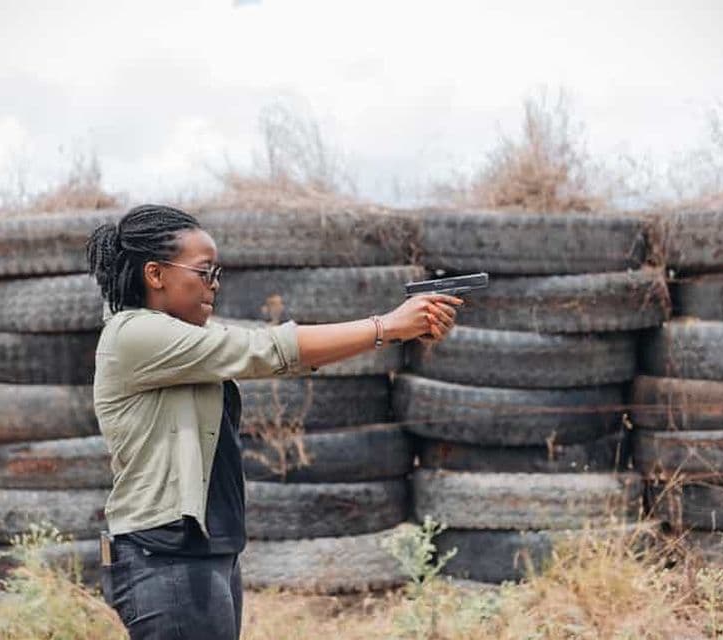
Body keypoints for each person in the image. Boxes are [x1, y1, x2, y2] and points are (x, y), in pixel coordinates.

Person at [85, 203, 461, 640]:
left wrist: (401, 326)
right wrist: (389, 326)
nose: (214, 285)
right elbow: (270, 349)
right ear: (155, 275)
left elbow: (283, 351)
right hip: (166, 555)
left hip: (202, 552)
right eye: (204, 272)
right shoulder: (135, 334)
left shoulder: (180, 338)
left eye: (217, 274)